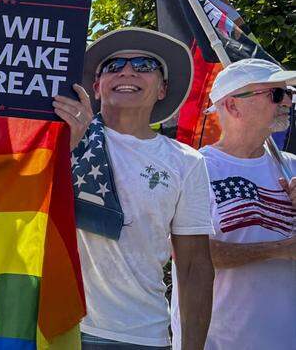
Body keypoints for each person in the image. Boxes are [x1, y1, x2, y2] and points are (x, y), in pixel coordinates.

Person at [53, 27, 213, 350]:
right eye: (113, 66)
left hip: (144, 336)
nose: (127, 71)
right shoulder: (58, 138)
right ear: (96, 86)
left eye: (143, 65)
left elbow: (195, 266)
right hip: (58, 329)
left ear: (163, 88)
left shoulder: (187, 162)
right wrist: (65, 150)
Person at [169, 58, 296, 349]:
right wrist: (281, 250)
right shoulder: (195, 168)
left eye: (287, 93)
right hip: (216, 342)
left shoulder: (292, 167)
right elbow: (190, 255)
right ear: (232, 106)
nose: (287, 102)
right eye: (276, 94)